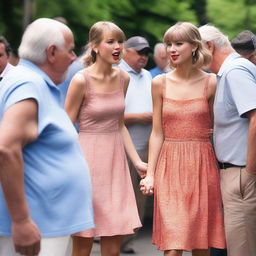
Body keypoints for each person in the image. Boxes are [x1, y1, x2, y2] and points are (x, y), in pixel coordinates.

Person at [0, 18, 94, 256]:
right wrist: (21, 221)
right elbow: (6, 148)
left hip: (48, 223)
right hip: (38, 225)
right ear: (51, 52)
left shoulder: (33, 82)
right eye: (71, 50)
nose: (74, 58)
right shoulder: (27, 84)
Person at [140, 22, 226, 256]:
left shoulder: (211, 83)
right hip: (170, 165)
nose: (171, 49)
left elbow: (218, 129)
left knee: (200, 243)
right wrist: (151, 174)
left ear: (195, 46)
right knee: (173, 243)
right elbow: (157, 132)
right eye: (168, 44)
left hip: (202, 165)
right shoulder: (160, 83)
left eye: (178, 43)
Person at [65, 21, 147, 256]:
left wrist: (137, 162)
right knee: (83, 241)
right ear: (94, 46)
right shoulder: (81, 80)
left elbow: (119, 125)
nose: (117, 46)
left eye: (120, 41)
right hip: (86, 161)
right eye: (110, 41)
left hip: (115, 163)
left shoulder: (123, 78)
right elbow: (66, 128)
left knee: (114, 239)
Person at [199, 24, 256, 256]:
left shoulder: (234, 71)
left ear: (209, 47)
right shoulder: (228, 71)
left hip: (241, 173)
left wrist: (249, 172)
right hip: (234, 172)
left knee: (241, 249)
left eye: (194, 50)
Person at [118, 36, 152, 254]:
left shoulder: (148, 75)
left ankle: (129, 240)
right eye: (139, 52)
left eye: (146, 52)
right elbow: (109, 115)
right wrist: (139, 117)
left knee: (140, 197)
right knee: (121, 195)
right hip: (121, 144)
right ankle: (114, 238)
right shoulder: (117, 74)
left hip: (146, 144)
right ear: (126, 52)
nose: (143, 57)